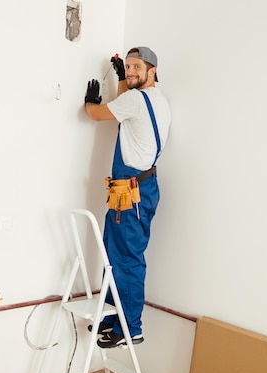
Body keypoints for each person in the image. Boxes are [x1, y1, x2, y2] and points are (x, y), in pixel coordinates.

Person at [84, 47, 171, 348]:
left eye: (137, 66)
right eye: (128, 66)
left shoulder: (135, 100)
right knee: (115, 257)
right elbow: (127, 106)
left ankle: (130, 327)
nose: (131, 71)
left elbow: (98, 115)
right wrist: (122, 78)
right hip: (138, 189)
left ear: (153, 70)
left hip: (130, 193)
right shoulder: (156, 100)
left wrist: (88, 104)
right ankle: (114, 317)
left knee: (127, 260)